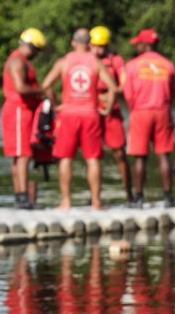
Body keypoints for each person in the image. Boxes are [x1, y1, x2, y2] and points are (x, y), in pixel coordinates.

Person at [42, 28, 118, 210]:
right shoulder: (96, 62)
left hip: (68, 114)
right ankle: (96, 202)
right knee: (92, 158)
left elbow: (46, 85)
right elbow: (113, 88)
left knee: (65, 157)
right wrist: (107, 109)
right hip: (90, 113)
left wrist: (55, 105)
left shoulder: (64, 62)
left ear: (73, 42)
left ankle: (66, 202)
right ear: (89, 43)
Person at [123, 28, 175, 206]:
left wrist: (135, 109)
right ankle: (168, 197)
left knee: (140, 157)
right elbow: (172, 93)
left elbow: (128, 94)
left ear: (145, 45)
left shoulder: (131, 66)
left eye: (139, 43)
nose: (137, 46)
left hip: (140, 112)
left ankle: (138, 197)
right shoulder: (168, 65)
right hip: (162, 111)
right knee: (163, 156)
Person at [1, 28, 47, 209]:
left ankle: (21, 195)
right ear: (30, 46)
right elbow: (20, 87)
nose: (36, 54)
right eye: (36, 50)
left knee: (20, 155)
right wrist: (42, 91)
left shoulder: (23, 61)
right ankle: (22, 197)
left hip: (23, 111)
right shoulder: (17, 61)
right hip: (18, 111)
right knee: (23, 154)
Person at [89, 26, 133, 205]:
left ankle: (130, 194)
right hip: (91, 111)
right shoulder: (86, 61)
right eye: (94, 46)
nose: (98, 50)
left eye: (101, 46)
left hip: (111, 111)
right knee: (92, 155)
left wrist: (109, 94)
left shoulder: (115, 61)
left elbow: (124, 84)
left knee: (119, 153)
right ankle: (94, 196)